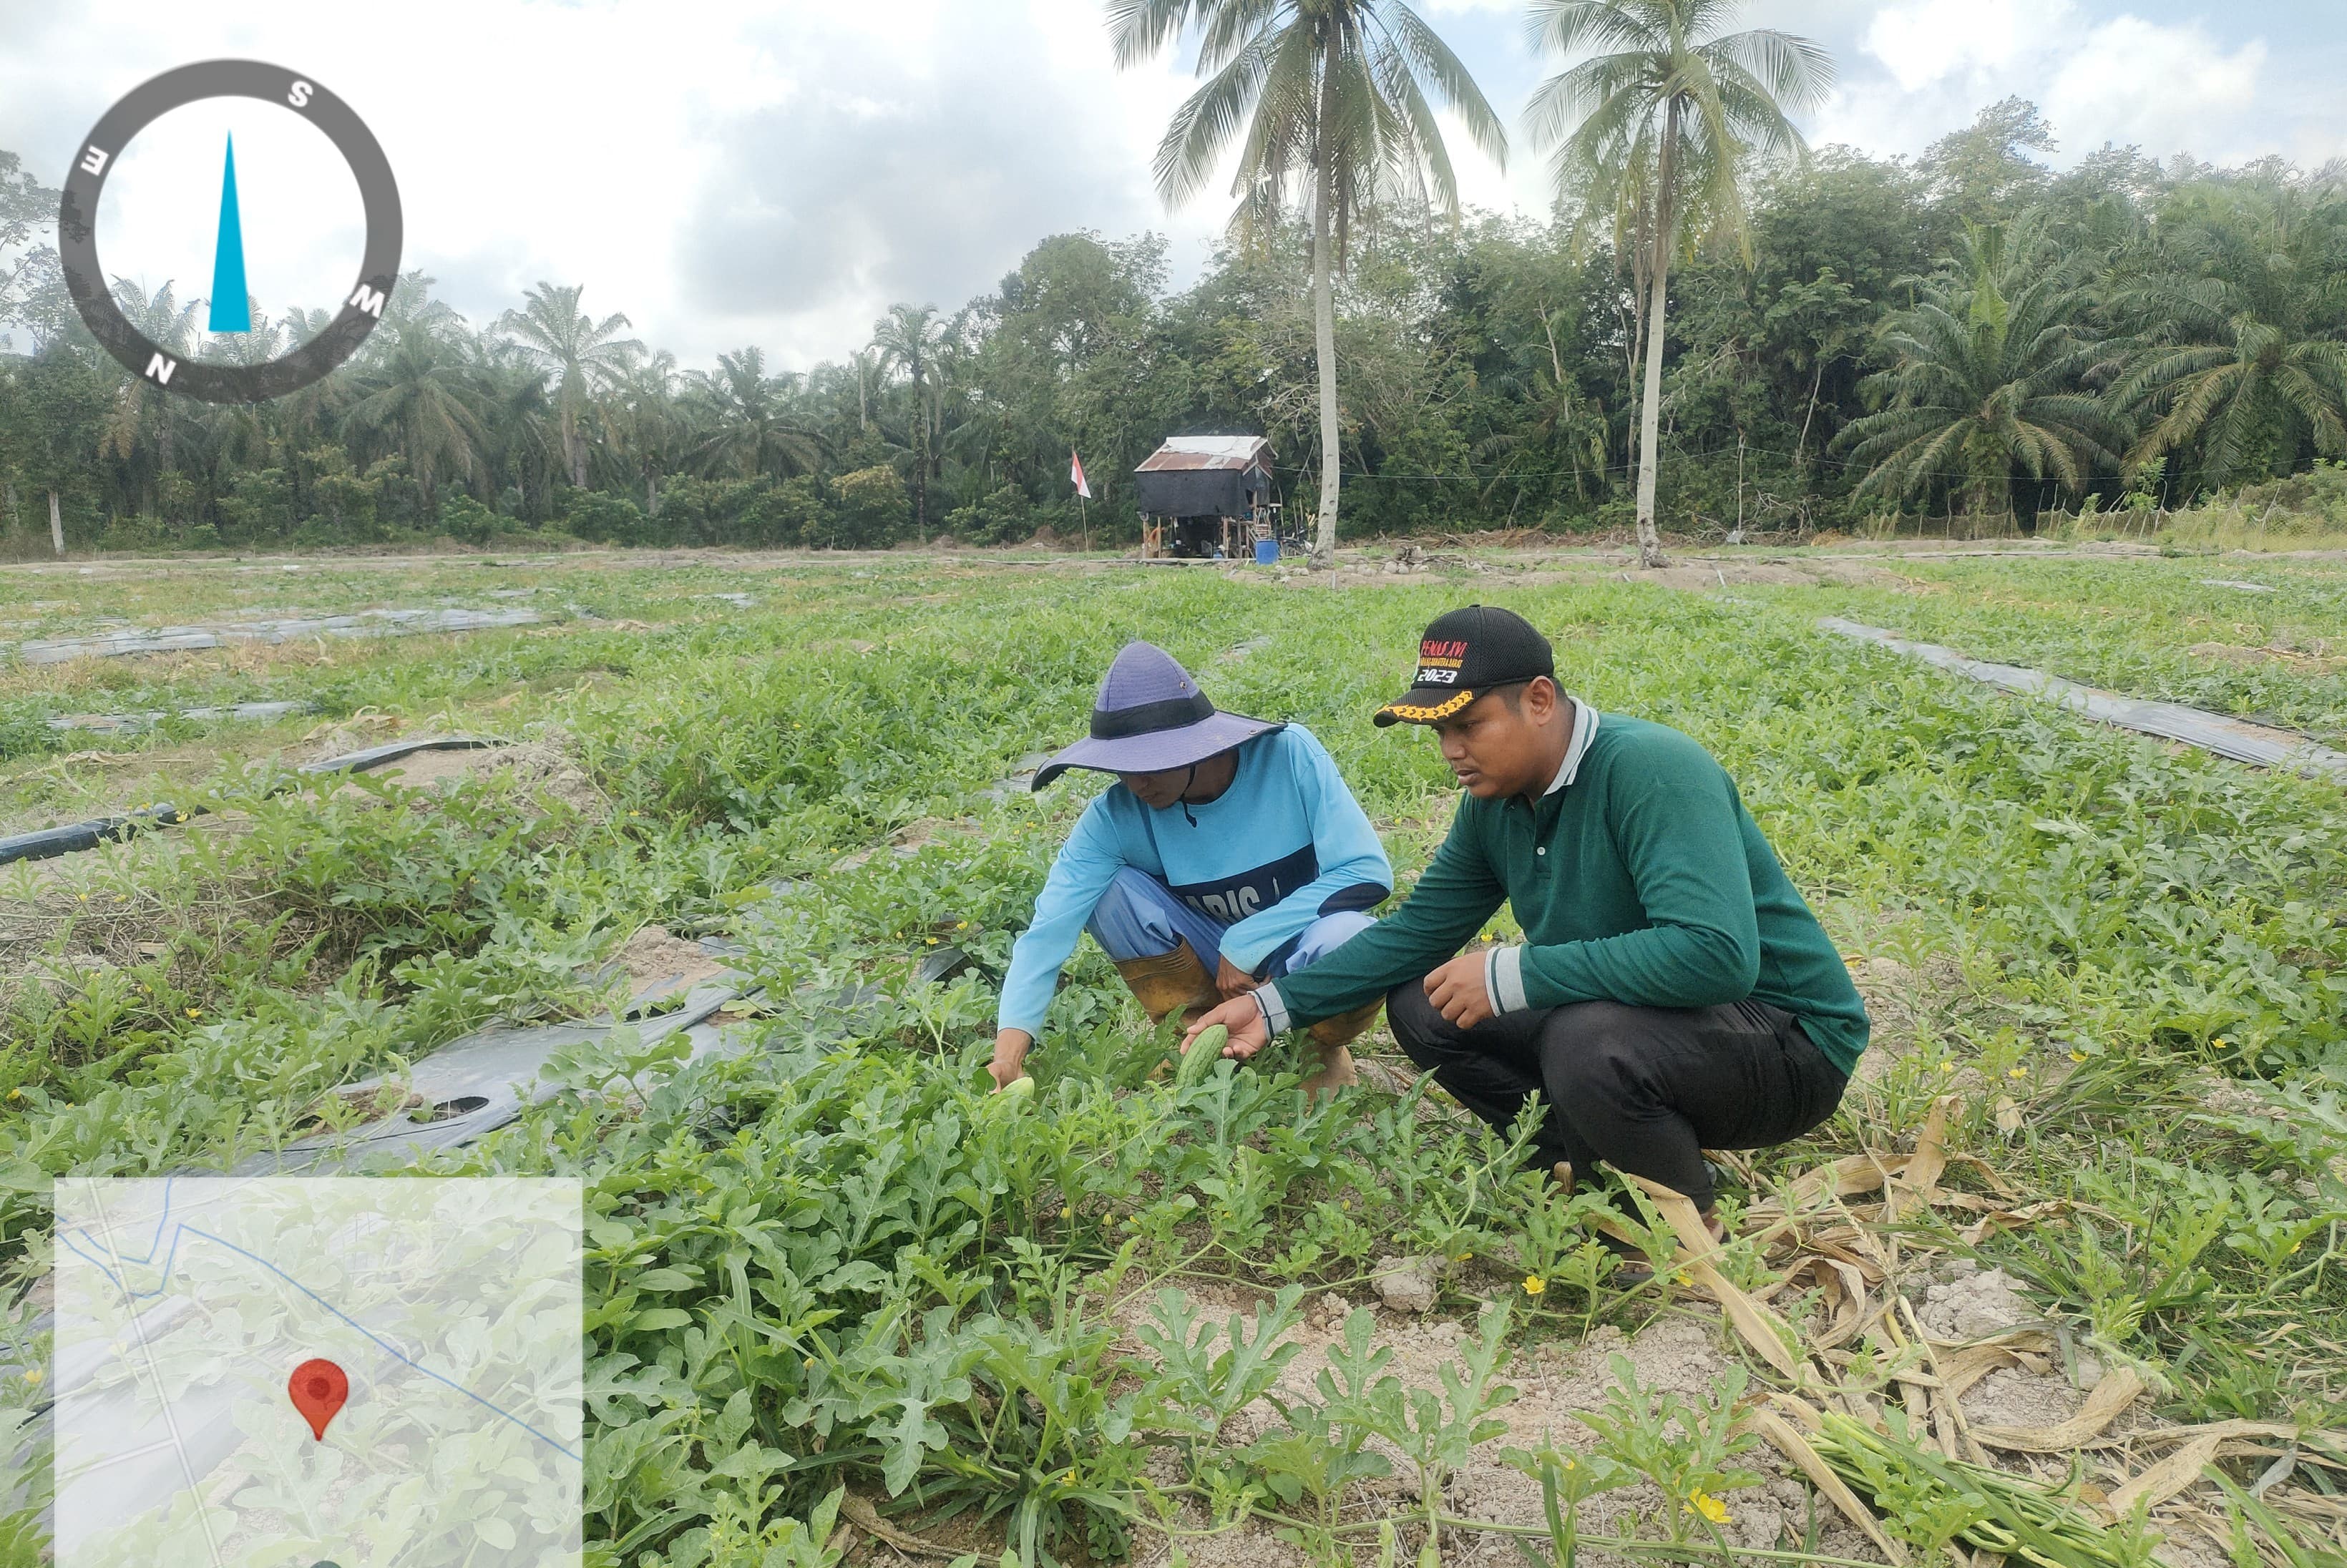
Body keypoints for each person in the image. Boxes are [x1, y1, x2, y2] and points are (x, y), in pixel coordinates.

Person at [1183, 604, 1869, 1245]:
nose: (1451, 750)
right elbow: (1417, 932)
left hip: (1785, 1044)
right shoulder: (1496, 803)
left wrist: (1517, 974)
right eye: (1439, 732)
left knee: (1584, 1036)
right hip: (1658, 1023)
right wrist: (1271, 1007)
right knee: (1426, 1004)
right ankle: (1579, 1158)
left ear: (1539, 700)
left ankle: (1672, 1223)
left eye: (1467, 725)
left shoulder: (1651, 771)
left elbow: (1716, 956)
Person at [988, 641, 1392, 1094]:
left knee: (1355, 939)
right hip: (1206, 953)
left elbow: (1367, 872)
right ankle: (1195, 1035)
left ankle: (1320, 1048)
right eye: (1121, 767)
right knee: (1109, 892)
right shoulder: (1116, 816)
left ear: (1196, 747)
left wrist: (1246, 942)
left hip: (1298, 947)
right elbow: (1048, 931)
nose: (1137, 783)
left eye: (1153, 764)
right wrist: (1008, 1053)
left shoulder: (1287, 758)